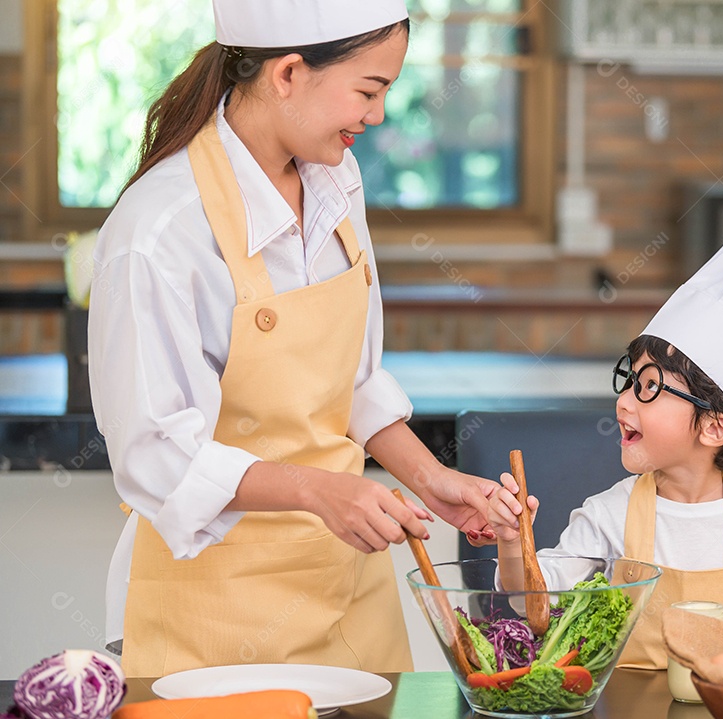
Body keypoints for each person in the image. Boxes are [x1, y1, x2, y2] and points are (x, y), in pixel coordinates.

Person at [88, 0, 499, 677]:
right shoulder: (160, 230)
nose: (377, 116)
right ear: (286, 73)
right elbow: (156, 455)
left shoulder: (338, 179)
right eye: (369, 90)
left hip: (346, 594)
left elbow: (353, 383)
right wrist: (319, 492)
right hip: (212, 612)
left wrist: (433, 480)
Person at [487, 221, 723, 669]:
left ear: (714, 428)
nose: (622, 402)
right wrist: (510, 540)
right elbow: (532, 601)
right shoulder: (608, 514)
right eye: (630, 380)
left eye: (649, 387)